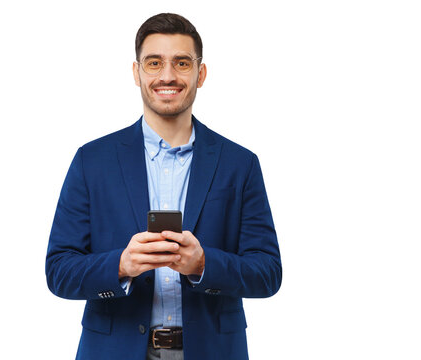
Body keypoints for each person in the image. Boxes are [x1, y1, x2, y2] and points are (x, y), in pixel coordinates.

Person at [46, 13, 282, 360]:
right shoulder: (92, 161)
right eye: (154, 63)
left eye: (182, 63)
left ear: (200, 74)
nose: (168, 75)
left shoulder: (240, 164)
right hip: (114, 351)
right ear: (136, 72)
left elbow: (268, 272)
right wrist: (121, 265)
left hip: (213, 352)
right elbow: (59, 270)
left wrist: (205, 265)